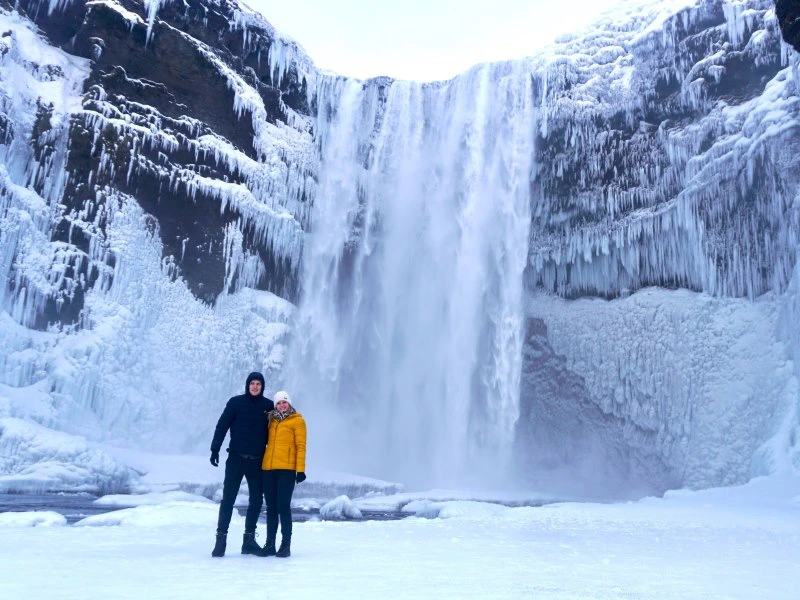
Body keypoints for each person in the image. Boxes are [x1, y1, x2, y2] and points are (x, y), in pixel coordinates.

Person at [209, 372, 274, 558]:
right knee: (228, 499)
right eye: (252, 383)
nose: (255, 386)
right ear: (247, 385)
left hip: (257, 461)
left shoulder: (268, 406)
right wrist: (215, 449)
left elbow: (278, 433)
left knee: (256, 500)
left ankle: (249, 541)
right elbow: (222, 425)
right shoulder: (235, 402)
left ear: (262, 387)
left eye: (258, 384)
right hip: (236, 459)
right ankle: (220, 540)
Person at [261, 390, 307, 558]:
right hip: (268, 468)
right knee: (271, 508)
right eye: (279, 403)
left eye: (284, 402)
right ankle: (270, 545)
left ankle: (285, 545)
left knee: (283, 507)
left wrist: (300, 470)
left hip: (287, 469)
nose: (281, 405)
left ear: (289, 403)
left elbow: (301, 446)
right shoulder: (271, 421)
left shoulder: (298, 421)